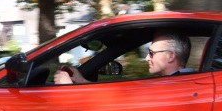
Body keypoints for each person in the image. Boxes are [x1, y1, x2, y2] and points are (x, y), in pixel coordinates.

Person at [54, 31, 192, 84]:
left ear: (171, 56)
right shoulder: (176, 82)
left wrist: (67, 87)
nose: (146, 59)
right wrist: (82, 81)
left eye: (151, 53)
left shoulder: (177, 86)